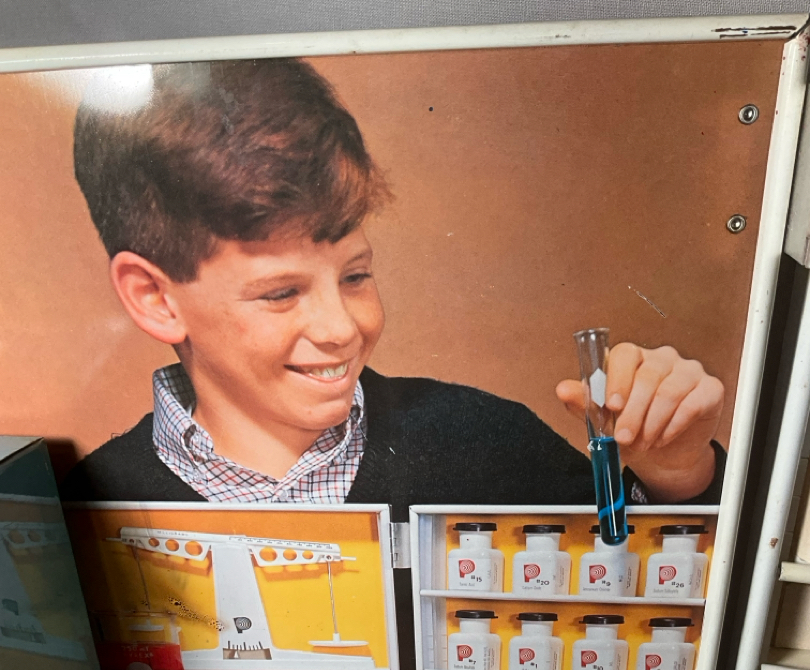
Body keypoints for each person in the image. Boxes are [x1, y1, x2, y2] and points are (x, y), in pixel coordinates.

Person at [62, 58, 725, 521]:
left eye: (355, 276)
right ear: (155, 298)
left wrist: (677, 475)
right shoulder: (86, 506)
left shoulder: (484, 440)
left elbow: (645, 601)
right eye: (280, 293)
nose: (342, 328)